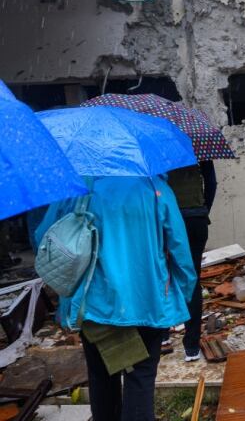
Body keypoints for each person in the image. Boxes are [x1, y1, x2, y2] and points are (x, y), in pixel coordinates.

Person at [35, 176, 195, 421]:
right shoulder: (155, 188)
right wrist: (180, 295)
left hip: (93, 304)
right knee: (139, 377)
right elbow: (180, 250)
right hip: (147, 302)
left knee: (101, 377)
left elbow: (43, 239)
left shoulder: (75, 188)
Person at [164, 160, 217, 361]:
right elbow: (211, 183)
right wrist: (203, 210)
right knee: (192, 278)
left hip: (167, 217)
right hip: (195, 218)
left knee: (164, 274)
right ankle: (192, 345)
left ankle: (162, 335)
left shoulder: (157, 142)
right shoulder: (197, 143)